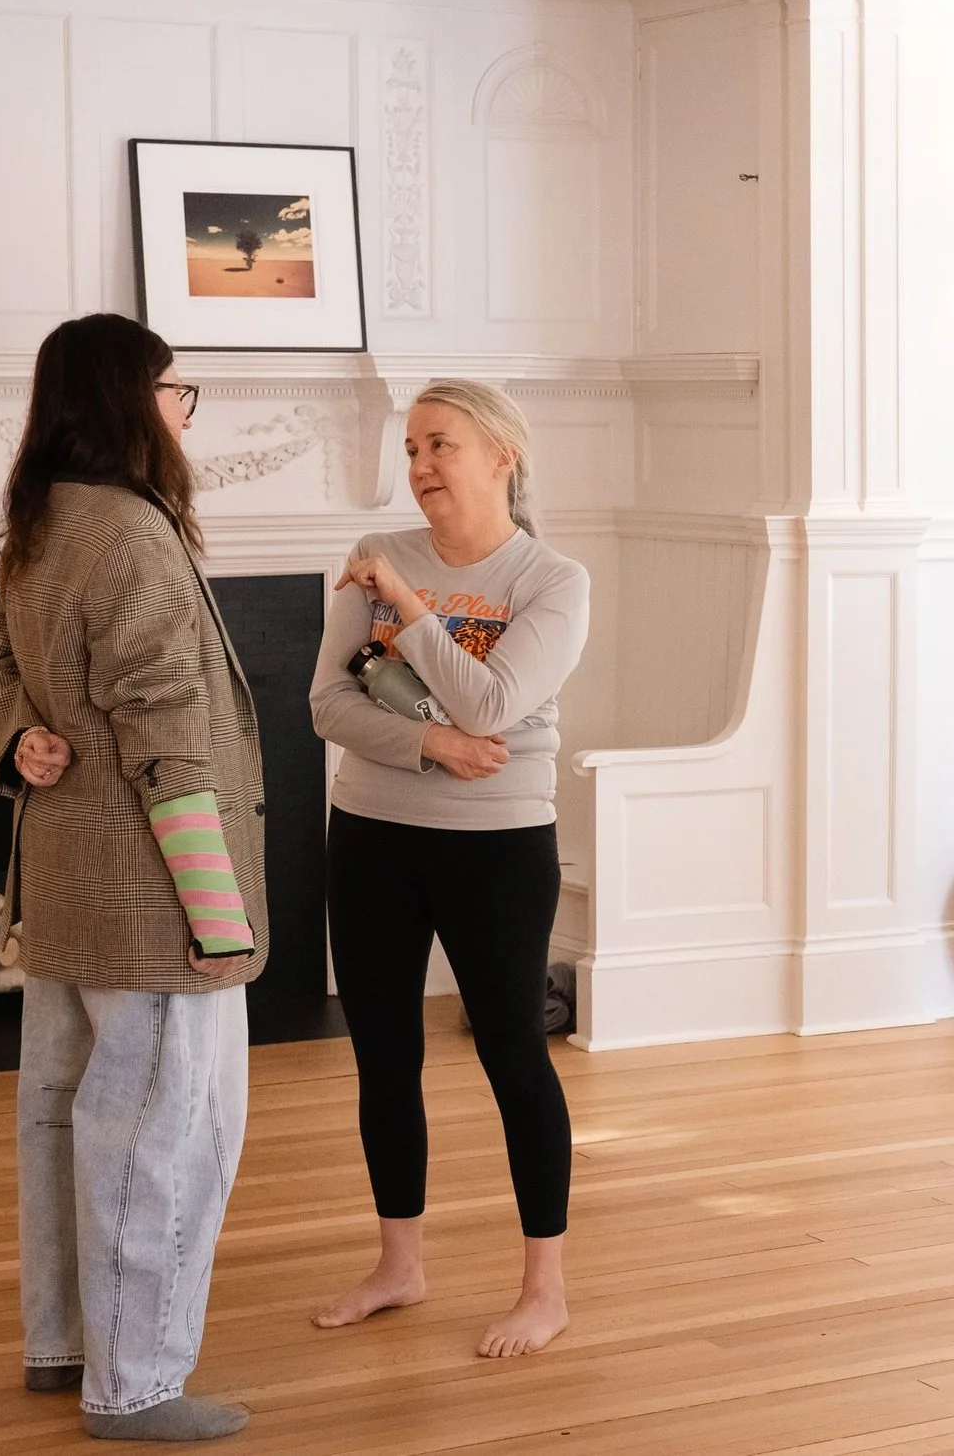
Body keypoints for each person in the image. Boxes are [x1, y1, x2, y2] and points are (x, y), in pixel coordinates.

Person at [0, 313, 264, 1442]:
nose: (184, 413)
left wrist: (16, 737)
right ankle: (133, 1382)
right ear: (128, 401)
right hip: (146, 894)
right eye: (176, 391)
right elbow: (167, 739)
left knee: (60, 1109)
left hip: (64, 878)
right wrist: (216, 910)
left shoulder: (41, 523)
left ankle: (64, 1342)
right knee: (164, 1126)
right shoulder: (131, 536)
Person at [307, 380, 591, 1358]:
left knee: (513, 1052)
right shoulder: (376, 557)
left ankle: (544, 1287)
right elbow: (327, 708)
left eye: (442, 445)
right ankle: (399, 1262)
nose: (421, 465)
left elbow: (491, 703)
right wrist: (428, 746)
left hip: (501, 846)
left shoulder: (552, 579)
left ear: (501, 453)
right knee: (384, 1050)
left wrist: (406, 605)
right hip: (372, 830)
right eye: (413, 446)